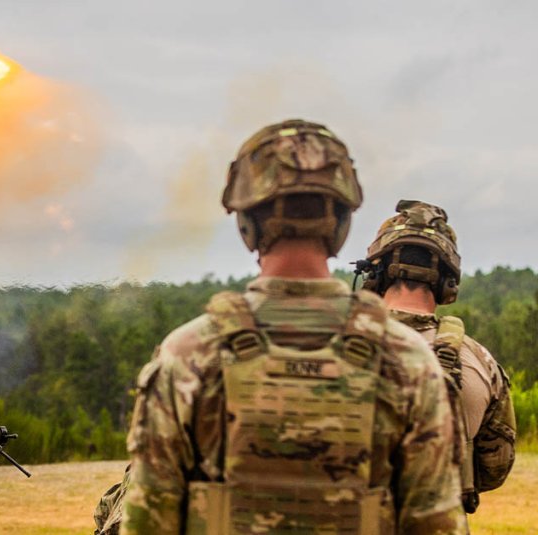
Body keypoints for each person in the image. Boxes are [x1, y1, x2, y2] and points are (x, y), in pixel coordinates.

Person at [122, 119, 466, 534]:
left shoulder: (189, 354)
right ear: (340, 225)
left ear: (247, 224)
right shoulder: (408, 361)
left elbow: (146, 523)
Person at [360, 199, 516, 515]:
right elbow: (494, 467)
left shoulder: (332, 343)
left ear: (375, 273)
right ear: (448, 283)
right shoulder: (480, 362)